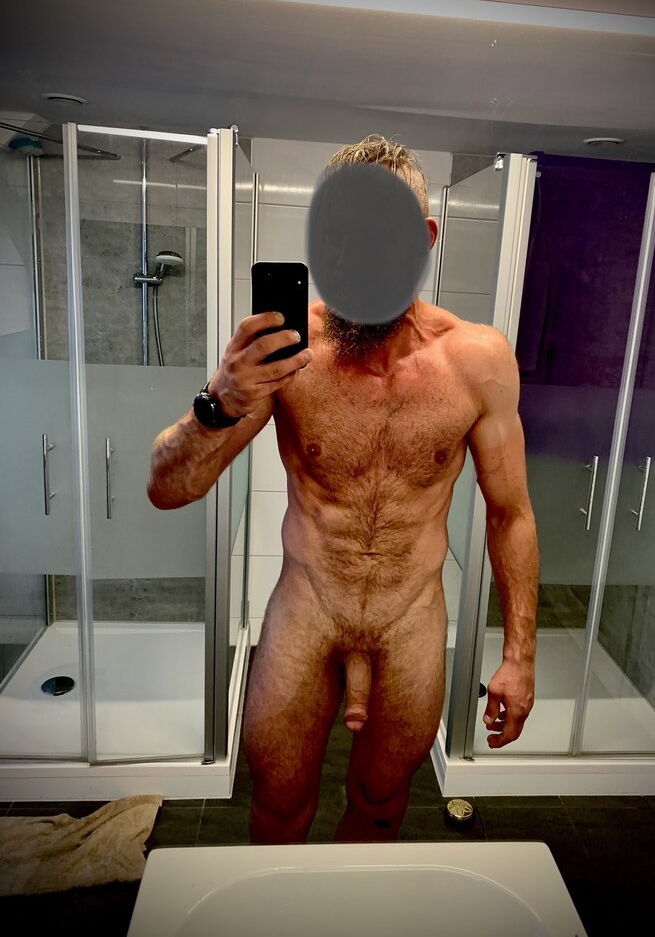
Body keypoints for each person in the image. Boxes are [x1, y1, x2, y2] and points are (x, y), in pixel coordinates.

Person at [147, 134, 539, 844]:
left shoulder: (477, 362)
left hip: (410, 620)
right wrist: (219, 399)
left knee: (381, 806)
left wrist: (519, 658)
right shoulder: (288, 354)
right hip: (307, 610)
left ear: (424, 241)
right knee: (278, 806)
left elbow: (510, 514)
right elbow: (169, 489)